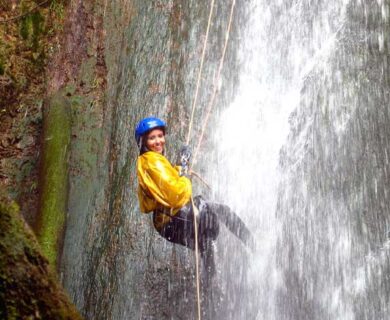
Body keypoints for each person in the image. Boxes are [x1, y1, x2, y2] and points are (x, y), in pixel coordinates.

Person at [135, 117, 253, 275]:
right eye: (152, 138)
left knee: (205, 245)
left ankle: (210, 289)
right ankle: (255, 247)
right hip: (172, 219)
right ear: (143, 142)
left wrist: (182, 165)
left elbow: (168, 180)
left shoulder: (150, 160)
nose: (158, 141)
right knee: (220, 212)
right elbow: (176, 194)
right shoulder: (152, 162)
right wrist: (184, 171)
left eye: (160, 136)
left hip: (167, 223)